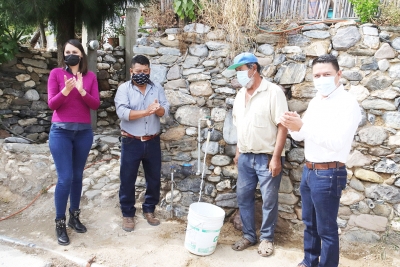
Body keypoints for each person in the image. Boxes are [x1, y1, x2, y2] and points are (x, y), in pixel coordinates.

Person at [280, 54, 361, 267]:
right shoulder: (316, 101)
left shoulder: (347, 104)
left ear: (339, 75)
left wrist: (303, 127)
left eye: (327, 74)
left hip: (329, 172)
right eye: (317, 75)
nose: (321, 79)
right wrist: (291, 125)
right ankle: (309, 261)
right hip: (310, 170)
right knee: (310, 224)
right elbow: (300, 136)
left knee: (327, 229)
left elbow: (336, 142)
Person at [229, 52, 288, 257]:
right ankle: (248, 235)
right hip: (245, 157)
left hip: (266, 157)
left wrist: (276, 157)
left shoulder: (273, 92)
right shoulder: (239, 95)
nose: (238, 75)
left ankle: (267, 239)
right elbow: (240, 127)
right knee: (243, 197)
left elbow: (282, 127)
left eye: (240, 70)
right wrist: (238, 153)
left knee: (269, 200)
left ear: (253, 68)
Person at [48, 39, 100, 246]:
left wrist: (81, 90)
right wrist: (66, 91)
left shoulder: (90, 77)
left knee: (78, 176)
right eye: (67, 51)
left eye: (74, 51)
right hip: (60, 132)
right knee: (65, 178)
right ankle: (59, 222)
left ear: (81, 55)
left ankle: (74, 216)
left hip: (83, 133)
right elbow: (52, 104)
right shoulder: (56, 74)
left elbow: (95, 105)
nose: (70, 54)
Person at [114, 55, 170, 232]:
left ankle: (149, 210)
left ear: (150, 71)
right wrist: (146, 112)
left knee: (153, 178)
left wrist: (158, 109)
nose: (142, 74)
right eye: (138, 71)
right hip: (131, 140)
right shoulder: (124, 89)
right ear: (131, 71)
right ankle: (128, 213)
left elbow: (165, 110)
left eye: (145, 71)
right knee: (127, 179)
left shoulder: (157, 88)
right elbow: (122, 112)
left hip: (152, 140)